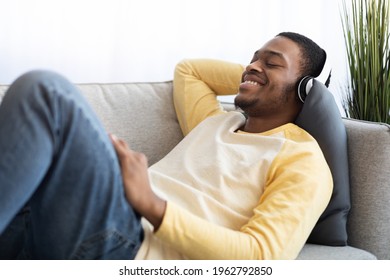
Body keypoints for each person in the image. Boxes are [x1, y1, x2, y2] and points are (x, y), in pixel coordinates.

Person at [0, 32, 332, 260]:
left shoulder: (302, 159)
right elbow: (190, 71)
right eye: (253, 58)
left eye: (272, 62)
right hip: (85, 220)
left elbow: (261, 256)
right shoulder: (216, 121)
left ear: (306, 88)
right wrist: (257, 77)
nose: (252, 65)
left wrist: (151, 203)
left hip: (132, 245)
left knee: (47, 93)